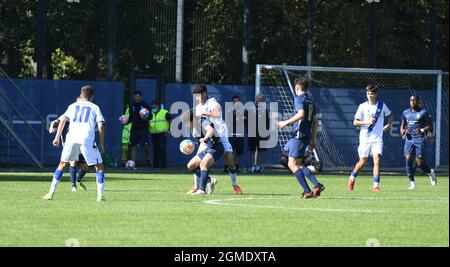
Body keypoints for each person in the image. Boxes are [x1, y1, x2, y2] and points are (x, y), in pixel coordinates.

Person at [43, 85, 106, 201]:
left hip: (71, 139)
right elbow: (101, 125)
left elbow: (63, 120)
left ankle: (50, 193)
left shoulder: (72, 106)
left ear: (81, 94)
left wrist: (56, 138)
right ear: (92, 96)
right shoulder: (94, 107)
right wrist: (102, 143)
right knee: (99, 166)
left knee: (62, 165)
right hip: (86, 140)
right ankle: (100, 196)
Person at [277, 78, 324, 199]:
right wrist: (313, 139)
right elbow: (315, 121)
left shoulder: (299, 99)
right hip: (305, 136)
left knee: (291, 164)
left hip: (299, 136)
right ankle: (317, 185)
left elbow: (301, 114)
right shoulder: (310, 101)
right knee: (289, 157)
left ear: (297, 87)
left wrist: (285, 123)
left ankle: (307, 191)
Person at [192, 85, 243, 195]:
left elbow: (218, 113)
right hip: (208, 136)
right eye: (196, 96)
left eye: (198, 95)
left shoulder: (212, 102)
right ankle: (198, 186)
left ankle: (234, 184)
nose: (197, 98)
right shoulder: (198, 107)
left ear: (204, 93)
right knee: (196, 162)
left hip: (221, 135)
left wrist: (207, 113)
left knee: (230, 162)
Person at [347, 84, 394, 192]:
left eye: (372, 94)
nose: (370, 96)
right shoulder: (362, 106)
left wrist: (389, 124)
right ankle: (352, 178)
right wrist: (366, 122)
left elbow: (391, 115)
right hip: (365, 138)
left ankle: (375, 185)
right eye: (368, 94)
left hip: (377, 139)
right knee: (362, 161)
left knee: (377, 160)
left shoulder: (382, 106)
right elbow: (355, 122)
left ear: (376, 94)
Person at [400, 95, 437, 190]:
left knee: (420, 163)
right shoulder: (405, 112)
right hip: (409, 139)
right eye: (411, 100)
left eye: (414, 100)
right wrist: (403, 131)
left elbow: (430, 126)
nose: (412, 101)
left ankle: (430, 172)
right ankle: (412, 184)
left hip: (419, 139)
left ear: (418, 101)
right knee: (408, 158)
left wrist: (421, 130)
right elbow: (402, 125)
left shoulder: (423, 112)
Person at [182, 110, 219, 195]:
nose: (187, 125)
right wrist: (189, 148)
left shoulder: (202, 121)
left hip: (215, 147)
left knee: (203, 164)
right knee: (190, 166)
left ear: (191, 120)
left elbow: (210, 130)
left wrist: (205, 138)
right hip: (207, 148)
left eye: (186, 123)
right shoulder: (195, 128)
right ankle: (210, 180)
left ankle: (202, 190)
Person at [49, 115, 88, 192]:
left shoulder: (81, 117)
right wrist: (51, 127)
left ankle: (77, 181)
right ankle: (73, 186)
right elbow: (55, 121)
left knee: (85, 167)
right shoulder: (68, 113)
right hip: (68, 143)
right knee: (73, 162)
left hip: (79, 142)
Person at [125, 90, 152, 169]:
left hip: (143, 129)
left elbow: (151, 117)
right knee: (133, 146)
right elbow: (130, 118)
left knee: (145, 146)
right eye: (136, 97)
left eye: (138, 97)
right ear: (134, 97)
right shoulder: (131, 106)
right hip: (134, 129)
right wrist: (125, 121)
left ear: (141, 97)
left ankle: (148, 159)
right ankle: (133, 164)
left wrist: (146, 116)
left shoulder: (145, 105)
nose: (137, 98)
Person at [248, 94, 269, 173]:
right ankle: (252, 166)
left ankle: (258, 166)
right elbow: (246, 120)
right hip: (252, 133)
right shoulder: (251, 109)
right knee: (252, 150)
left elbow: (267, 123)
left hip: (262, 134)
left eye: (262, 99)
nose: (261, 101)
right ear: (256, 99)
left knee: (261, 151)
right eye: (259, 99)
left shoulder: (265, 110)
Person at [224, 95, 246, 173]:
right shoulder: (229, 110)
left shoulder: (243, 110)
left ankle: (236, 167)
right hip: (231, 134)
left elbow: (246, 120)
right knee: (229, 152)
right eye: (234, 102)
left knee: (239, 153)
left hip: (240, 134)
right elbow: (230, 121)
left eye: (237, 101)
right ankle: (227, 167)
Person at [149, 101, 171, 168]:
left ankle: (163, 165)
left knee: (162, 148)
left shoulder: (164, 112)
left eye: (154, 107)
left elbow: (170, 120)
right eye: (152, 107)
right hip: (154, 133)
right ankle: (155, 164)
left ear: (158, 106)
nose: (153, 108)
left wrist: (169, 130)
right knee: (155, 149)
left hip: (162, 133)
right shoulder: (150, 114)